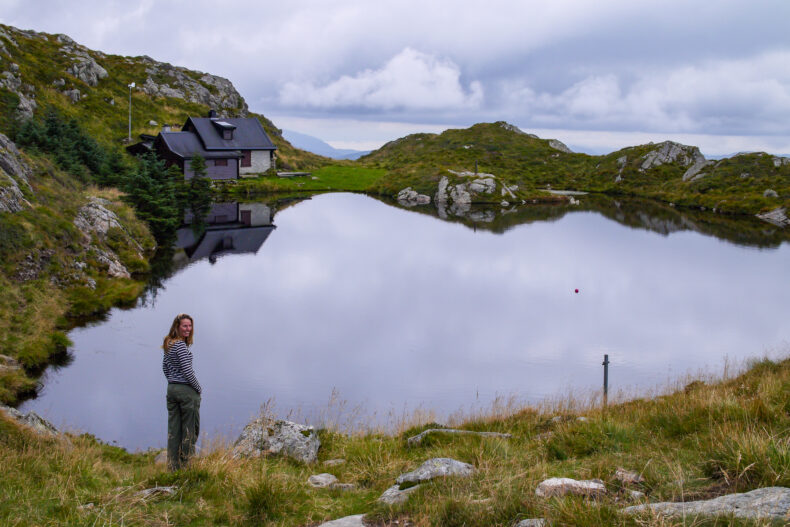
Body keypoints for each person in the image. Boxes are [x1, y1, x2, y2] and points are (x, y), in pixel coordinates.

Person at [162, 313, 201, 471]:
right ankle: (186, 467)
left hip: (171, 389)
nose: (188, 329)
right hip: (186, 391)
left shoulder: (169, 344)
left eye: (190, 326)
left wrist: (172, 381)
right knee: (190, 430)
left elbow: (165, 367)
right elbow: (187, 371)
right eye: (185, 326)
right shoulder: (180, 346)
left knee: (174, 430)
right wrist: (198, 388)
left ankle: (172, 468)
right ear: (177, 327)